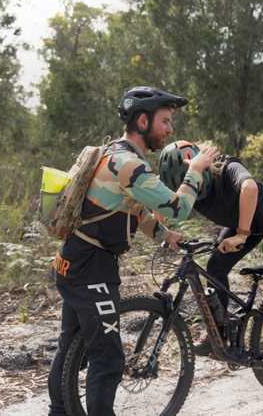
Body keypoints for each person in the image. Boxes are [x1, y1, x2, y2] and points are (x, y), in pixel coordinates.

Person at [48, 86, 218, 416]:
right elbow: (178, 207)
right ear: (143, 120)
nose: (170, 129)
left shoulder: (113, 153)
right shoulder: (128, 164)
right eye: (165, 121)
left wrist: (164, 235)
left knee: (70, 347)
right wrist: (195, 170)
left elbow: (131, 209)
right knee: (108, 359)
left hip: (72, 261)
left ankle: (59, 411)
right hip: (91, 270)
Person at [158, 140, 263, 374]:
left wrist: (242, 234)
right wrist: (161, 223)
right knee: (215, 267)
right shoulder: (191, 187)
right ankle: (220, 333)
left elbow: (250, 188)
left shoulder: (226, 167)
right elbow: (171, 204)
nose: (190, 184)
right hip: (244, 223)